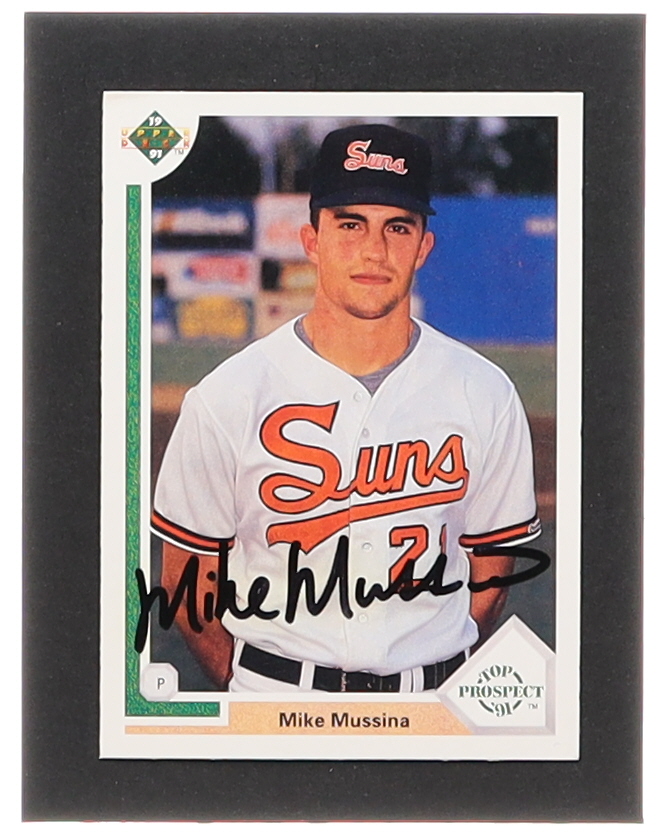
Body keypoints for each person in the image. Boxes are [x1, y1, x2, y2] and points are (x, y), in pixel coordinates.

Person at [150, 123, 541, 693]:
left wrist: (431, 677)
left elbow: (492, 573)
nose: (374, 251)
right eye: (350, 224)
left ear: (423, 247)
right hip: (276, 698)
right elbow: (187, 588)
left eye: (397, 227)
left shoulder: (485, 392)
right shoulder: (227, 395)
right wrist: (256, 691)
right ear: (312, 240)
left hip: (431, 705)